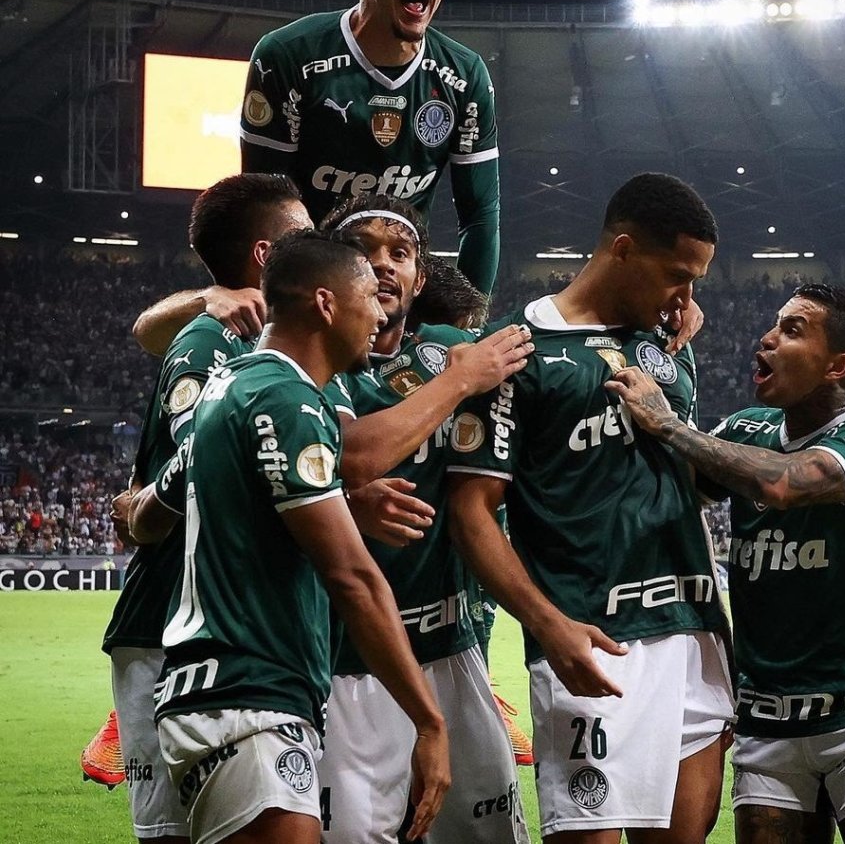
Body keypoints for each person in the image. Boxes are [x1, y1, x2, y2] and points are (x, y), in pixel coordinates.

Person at [128, 229, 451, 844]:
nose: (380, 314)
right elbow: (352, 578)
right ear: (326, 304)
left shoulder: (230, 386)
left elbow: (147, 516)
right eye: (368, 297)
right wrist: (430, 723)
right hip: (248, 695)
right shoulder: (287, 399)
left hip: (217, 693)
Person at [446, 172, 736, 844]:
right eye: (678, 276)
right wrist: (547, 625)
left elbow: (686, 484)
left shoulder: (668, 351)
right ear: (624, 249)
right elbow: (471, 512)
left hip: (690, 628)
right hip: (591, 638)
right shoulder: (515, 352)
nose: (686, 299)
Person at [606, 282, 845, 843]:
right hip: (767, 723)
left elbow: (787, 483)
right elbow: (668, 489)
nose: (768, 338)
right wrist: (660, 345)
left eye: (792, 330)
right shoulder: (747, 428)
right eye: (775, 323)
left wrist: (669, 424)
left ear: (837, 366)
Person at [85, 172, 312, 841]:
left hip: (235, 630)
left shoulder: (281, 342)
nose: (319, 244)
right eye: (302, 234)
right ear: (266, 254)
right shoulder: (212, 339)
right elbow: (205, 472)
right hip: (170, 626)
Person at [316, 194, 531, 844]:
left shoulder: (449, 348)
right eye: (363, 251)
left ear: (418, 279)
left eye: (401, 253)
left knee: (489, 835)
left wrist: (662, 329)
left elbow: (543, 349)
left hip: (447, 650)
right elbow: (353, 453)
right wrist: (459, 383)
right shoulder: (311, 363)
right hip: (348, 663)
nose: (384, 264)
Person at [239, 0, 500, 296]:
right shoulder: (288, 55)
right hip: (310, 291)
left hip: (398, 293)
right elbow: (264, 207)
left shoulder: (465, 76)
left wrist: (470, 319)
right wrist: (270, 300)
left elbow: (480, 215)